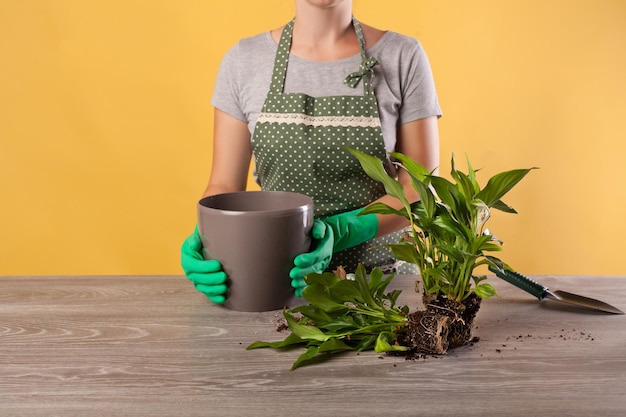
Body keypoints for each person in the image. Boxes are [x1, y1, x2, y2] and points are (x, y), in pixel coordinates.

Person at [181, 0, 441, 304]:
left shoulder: (403, 56)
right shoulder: (243, 60)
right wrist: (208, 235)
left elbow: (418, 189)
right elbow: (224, 185)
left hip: (385, 288)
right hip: (278, 285)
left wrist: (345, 229)